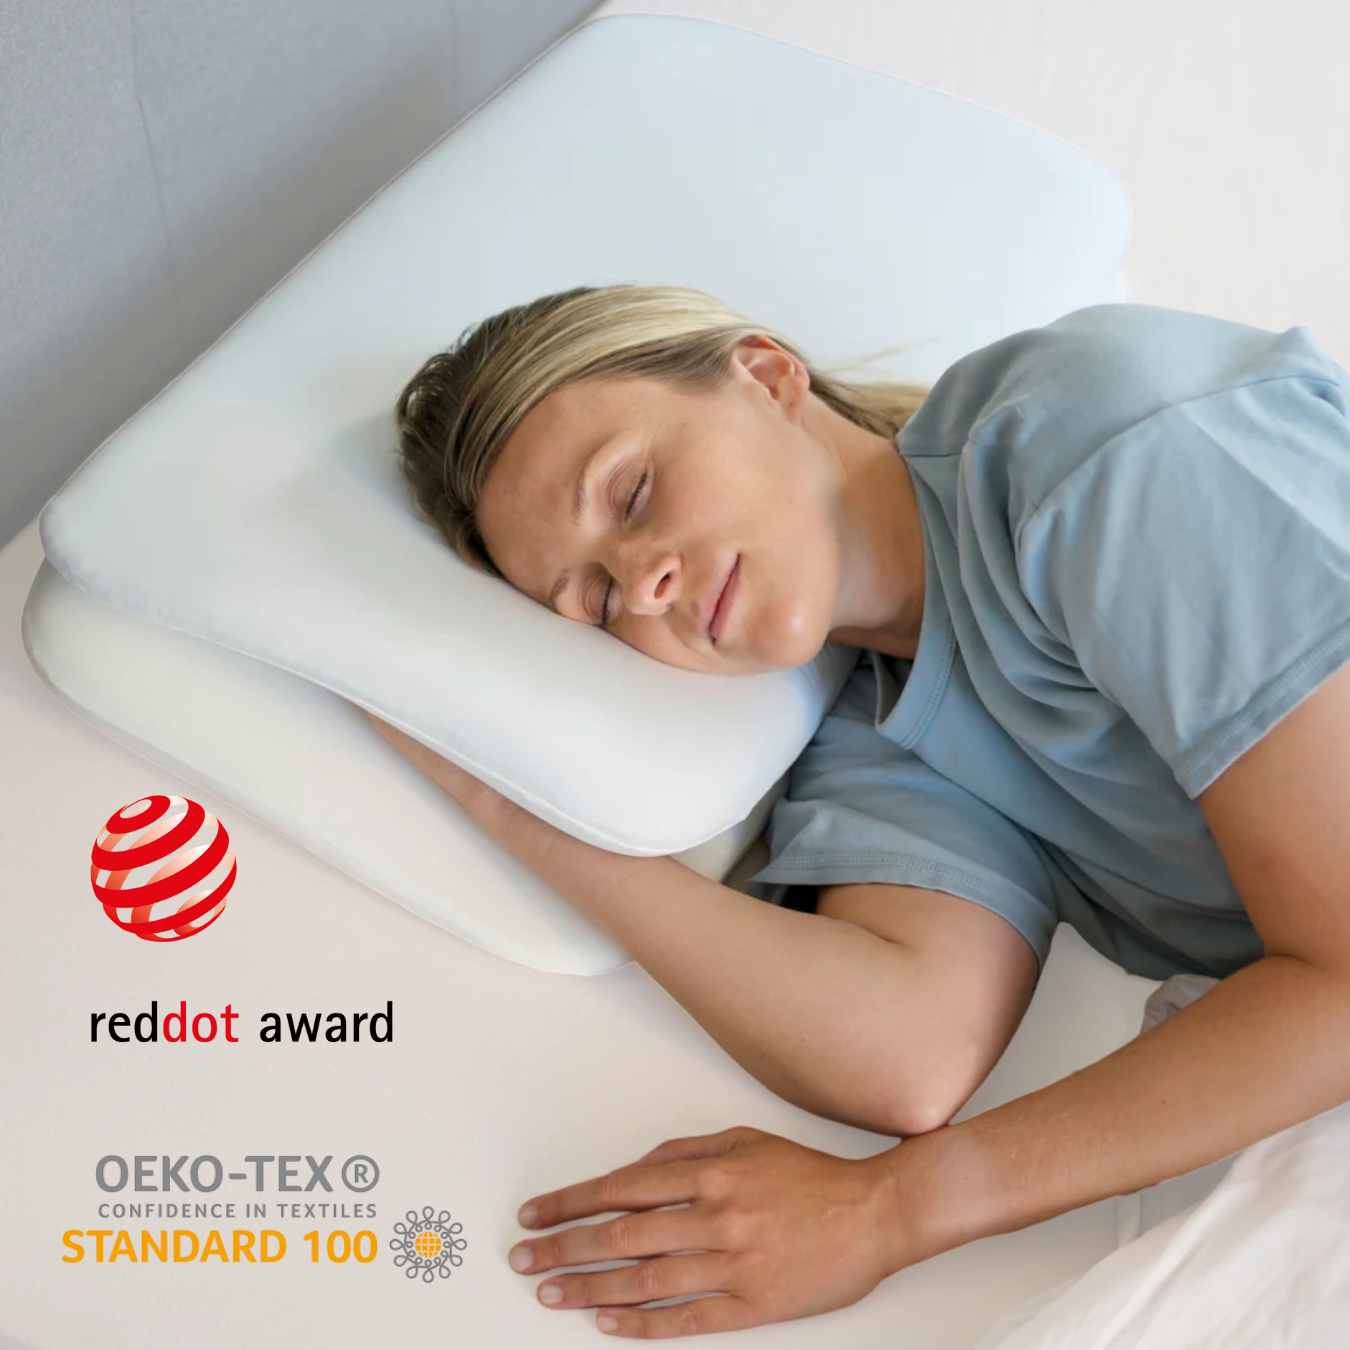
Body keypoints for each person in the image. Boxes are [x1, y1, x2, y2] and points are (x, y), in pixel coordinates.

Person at [367, 283, 1350, 1339]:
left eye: (635, 492)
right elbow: (911, 1056)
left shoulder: (1099, 443)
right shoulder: (880, 726)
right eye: (599, 600)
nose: (644, 584)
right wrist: (513, 808)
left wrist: (890, 1212)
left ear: (765, 376)